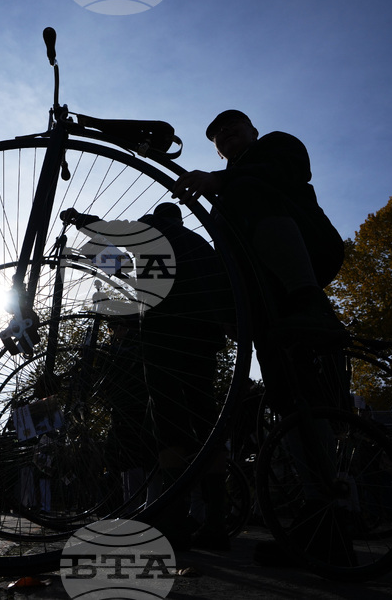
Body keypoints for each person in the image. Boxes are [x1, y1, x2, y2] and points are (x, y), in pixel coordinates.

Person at [60, 202, 233, 550]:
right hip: (203, 339)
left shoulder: (156, 231)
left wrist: (83, 224)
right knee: (205, 421)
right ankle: (216, 520)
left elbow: (125, 265)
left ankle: (174, 519)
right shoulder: (202, 246)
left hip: (163, 336)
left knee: (169, 426)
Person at [173, 110, 348, 409]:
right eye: (218, 133)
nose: (225, 130)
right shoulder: (222, 198)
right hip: (263, 295)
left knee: (244, 186)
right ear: (217, 151)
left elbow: (287, 170)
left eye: (233, 123)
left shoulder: (275, 145)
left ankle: (312, 303)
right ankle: (305, 442)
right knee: (284, 387)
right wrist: (230, 310)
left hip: (309, 245)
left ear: (253, 131)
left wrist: (220, 179)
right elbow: (225, 253)